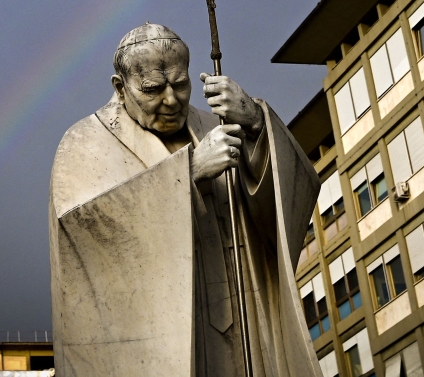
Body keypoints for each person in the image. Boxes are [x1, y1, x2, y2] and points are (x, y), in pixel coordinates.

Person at [49, 23, 323, 377]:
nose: (170, 99)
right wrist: (188, 172)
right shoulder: (84, 142)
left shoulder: (220, 126)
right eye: (152, 89)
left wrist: (256, 124)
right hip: (158, 339)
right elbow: (79, 232)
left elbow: (290, 204)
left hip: (243, 325)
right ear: (120, 88)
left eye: (180, 84)